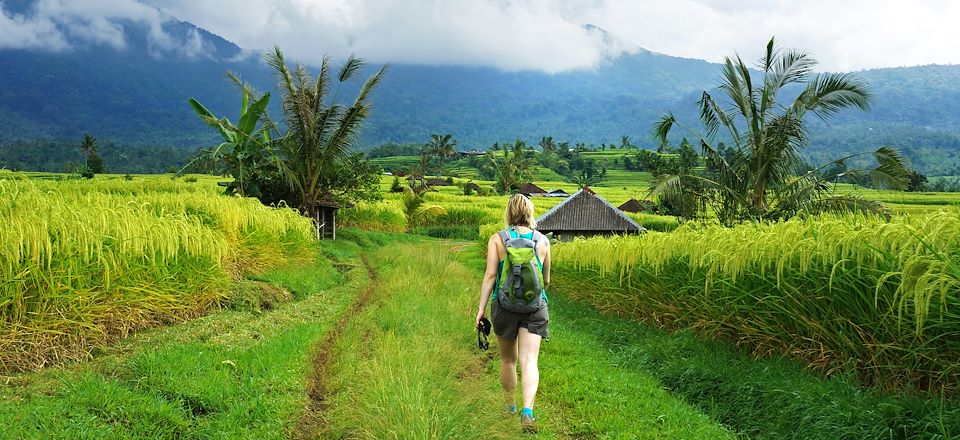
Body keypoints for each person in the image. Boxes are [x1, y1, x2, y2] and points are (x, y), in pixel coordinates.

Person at [475, 194, 551, 433]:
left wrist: (481, 309)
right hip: (535, 308)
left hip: (504, 307)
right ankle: (528, 412)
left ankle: (510, 408)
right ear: (530, 212)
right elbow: (546, 280)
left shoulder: (498, 239)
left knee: (508, 360)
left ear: (508, 211)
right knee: (530, 361)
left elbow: (489, 276)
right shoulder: (542, 241)